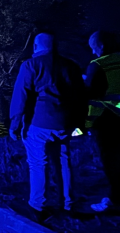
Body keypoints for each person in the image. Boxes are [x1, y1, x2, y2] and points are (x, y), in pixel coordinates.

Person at [10, 33, 86, 220]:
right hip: (64, 123)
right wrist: (80, 122)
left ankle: (37, 206)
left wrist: (15, 123)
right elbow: (81, 97)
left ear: (36, 47)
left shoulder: (30, 65)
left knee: (38, 163)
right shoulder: (71, 66)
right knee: (63, 161)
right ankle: (68, 204)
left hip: (38, 123)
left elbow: (21, 95)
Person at [84, 31, 120, 212]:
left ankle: (116, 198)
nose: (93, 52)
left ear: (100, 46)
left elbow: (91, 97)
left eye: (93, 48)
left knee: (112, 161)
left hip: (108, 121)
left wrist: (86, 125)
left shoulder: (98, 65)